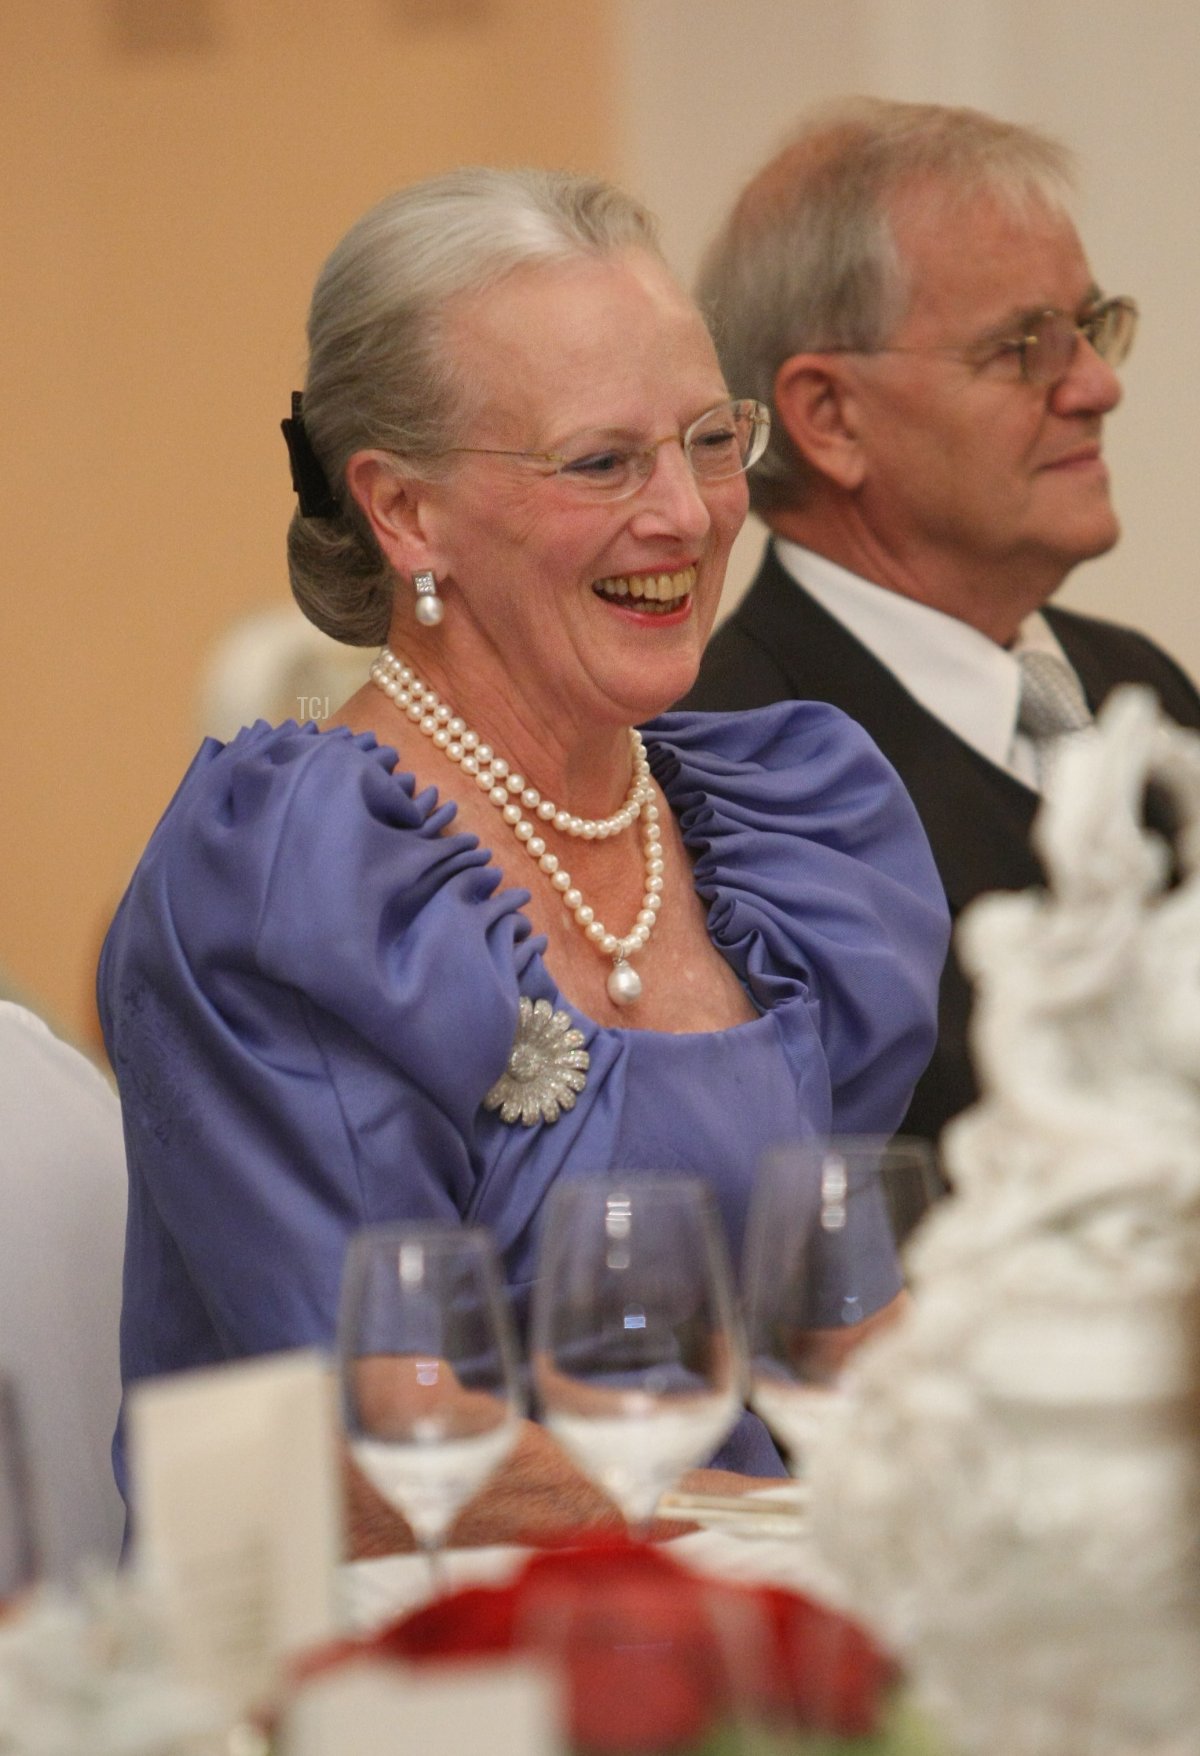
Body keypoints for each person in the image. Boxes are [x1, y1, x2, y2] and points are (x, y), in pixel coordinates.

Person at [99, 167, 949, 1554]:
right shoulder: (300, 888)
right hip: (403, 1667)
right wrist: (786, 1526)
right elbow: (381, 1446)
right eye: (602, 462)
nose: (686, 513)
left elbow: (849, 1330)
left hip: (744, 1634)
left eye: (706, 440)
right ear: (405, 512)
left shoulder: (785, 834)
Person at [683, 97, 1200, 1147]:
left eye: (1092, 329)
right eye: (1028, 348)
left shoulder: (1132, 681)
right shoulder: (740, 768)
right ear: (829, 417)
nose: (1098, 384)